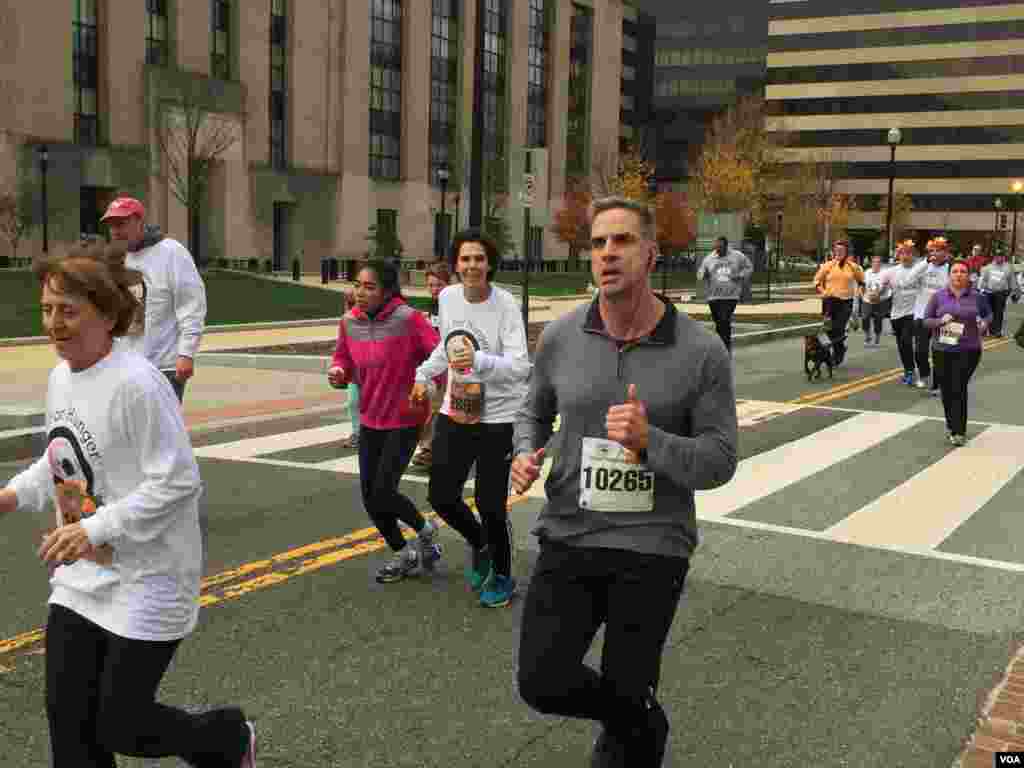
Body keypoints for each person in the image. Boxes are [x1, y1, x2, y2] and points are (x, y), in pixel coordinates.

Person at [1, 244, 255, 768]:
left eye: (68, 310)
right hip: (85, 576)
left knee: (122, 724)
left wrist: (95, 527)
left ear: (108, 314)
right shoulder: (61, 377)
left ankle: (226, 737)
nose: (54, 324)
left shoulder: (138, 384)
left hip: (151, 574)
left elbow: (178, 481)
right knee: (69, 725)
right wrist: (10, 495)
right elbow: (62, 460)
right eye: (47, 309)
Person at [512, 196, 738, 766]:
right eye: (597, 243)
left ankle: (633, 720)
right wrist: (523, 451)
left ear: (652, 254)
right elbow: (531, 411)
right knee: (543, 680)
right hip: (570, 533)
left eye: (623, 241)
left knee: (623, 720)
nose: (607, 254)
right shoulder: (562, 337)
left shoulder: (701, 351)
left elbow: (719, 459)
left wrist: (650, 442)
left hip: (652, 544)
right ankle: (642, 716)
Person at [410, 229, 531, 609]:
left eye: (479, 258)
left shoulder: (506, 304)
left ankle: (504, 576)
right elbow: (447, 348)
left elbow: (521, 367)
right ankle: (480, 543)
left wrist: (478, 362)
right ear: (456, 265)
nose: (472, 265)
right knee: (442, 496)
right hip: (457, 410)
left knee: (491, 503)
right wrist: (423, 374)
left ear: (490, 263)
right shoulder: (447, 297)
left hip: (499, 416)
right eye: (465, 259)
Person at [328, 261, 443, 583]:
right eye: (357, 285)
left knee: (383, 491)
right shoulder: (349, 322)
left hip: (404, 416)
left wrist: (427, 386)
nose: (360, 293)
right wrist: (339, 373)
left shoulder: (408, 319)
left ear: (387, 290)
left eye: (369, 287)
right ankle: (404, 551)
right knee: (369, 495)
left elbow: (439, 356)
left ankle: (425, 531)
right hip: (370, 417)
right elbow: (343, 359)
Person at [101, 196, 207, 404]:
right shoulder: (114, 260)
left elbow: (192, 305)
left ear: (140, 221)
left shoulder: (171, 252)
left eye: (121, 223)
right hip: (124, 367)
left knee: (161, 433)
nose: (115, 230)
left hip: (164, 367)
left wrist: (186, 354)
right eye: (111, 225)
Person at [923, 259, 991, 446]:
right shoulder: (938, 297)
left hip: (968, 349)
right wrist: (939, 321)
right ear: (949, 275)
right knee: (947, 389)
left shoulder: (977, 297)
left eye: (963, 271)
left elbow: (987, 314)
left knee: (958, 386)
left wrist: (984, 324)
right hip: (942, 348)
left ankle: (959, 431)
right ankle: (952, 425)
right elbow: (926, 320)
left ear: (968, 276)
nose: (959, 274)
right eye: (955, 271)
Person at [411, 262, 452, 469]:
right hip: (435, 363)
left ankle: (430, 449)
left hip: (451, 365)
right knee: (431, 406)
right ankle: (428, 448)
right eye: (431, 285)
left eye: (439, 285)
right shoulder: (434, 306)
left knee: (437, 407)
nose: (435, 289)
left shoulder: (453, 306)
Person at [695, 235, 753, 353]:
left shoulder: (737, 256)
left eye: (720, 248)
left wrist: (740, 275)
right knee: (719, 323)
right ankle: (722, 347)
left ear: (726, 246)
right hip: (713, 296)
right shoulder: (709, 258)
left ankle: (725, 349)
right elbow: (700, 272)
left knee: (724, 319)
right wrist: (703, 275)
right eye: (716, 248)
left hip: (731, 296)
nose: (718, 251)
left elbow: (749, 267)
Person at [881, 241, 928, 385]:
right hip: (896, 313)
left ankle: (916, 372)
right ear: (898, 255)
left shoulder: (921, 270)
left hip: (914, 312)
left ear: (914, 255)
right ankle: (909, 370)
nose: (905, 256)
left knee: (906, 341)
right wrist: (876, 293)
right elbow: (882, 290)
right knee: (902, 345)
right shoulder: (891, 272)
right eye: (902, 253)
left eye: (909, 253)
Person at [813, 241, 865, 366]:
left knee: (839, 328)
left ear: (846, 252)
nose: (839, 252)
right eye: (837, 250)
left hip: (845, 302)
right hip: (829, 301)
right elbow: (816, 281)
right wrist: (823, 291)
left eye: (842, 250)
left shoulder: (853, 267)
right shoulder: (828, 265)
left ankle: (838, 352)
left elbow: (862, 282)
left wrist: (859, 292)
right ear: (834, 251)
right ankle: (839, 348)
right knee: (828, 328)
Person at [912, 237, 951, 394]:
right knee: (920, 351)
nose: (935, 253)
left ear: (946, 253)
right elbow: (910, 278)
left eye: (939, 250)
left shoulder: (952, 268)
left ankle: (939, 384)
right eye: (932, 250)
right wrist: (925, 262)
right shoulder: (923, 266)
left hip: (947, 318)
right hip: (922, 315)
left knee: (944, 353)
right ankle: (925, 374)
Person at [977, 249, 1020, 337]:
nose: (998, 258)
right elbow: (984, 280)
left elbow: (1012, 281)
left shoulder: (1008, 268)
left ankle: (996, 331)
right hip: (988, 293)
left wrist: (1015, 292)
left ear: (1003, 257)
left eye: (1000, 256)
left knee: (999, 312)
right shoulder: (988, 267)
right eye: (996, 256)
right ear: (994, 257)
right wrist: (981, 290)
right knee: (988, 312)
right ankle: (986, 330)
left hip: (1001, 293)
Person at [340, 286, 361, 450]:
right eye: (349, 304)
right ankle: (357, 432)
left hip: (372, 372)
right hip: (355, 371)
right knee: (353, 402)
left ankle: (365, 433)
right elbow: (342, 348)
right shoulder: (347, 321)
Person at [860, 254, 892, 346]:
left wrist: (879, 295)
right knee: (865, 318)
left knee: (878, 319)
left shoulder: (884, 273)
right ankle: (867, 335)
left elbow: (886, 287)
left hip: (880, 301)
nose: (876, 264)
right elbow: (862, 285)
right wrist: (863, 295)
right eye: (874, 262)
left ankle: (877, 337)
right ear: (871, 263)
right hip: (867, 300)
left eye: (878, 262)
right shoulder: (867, 272)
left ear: (881, 264)